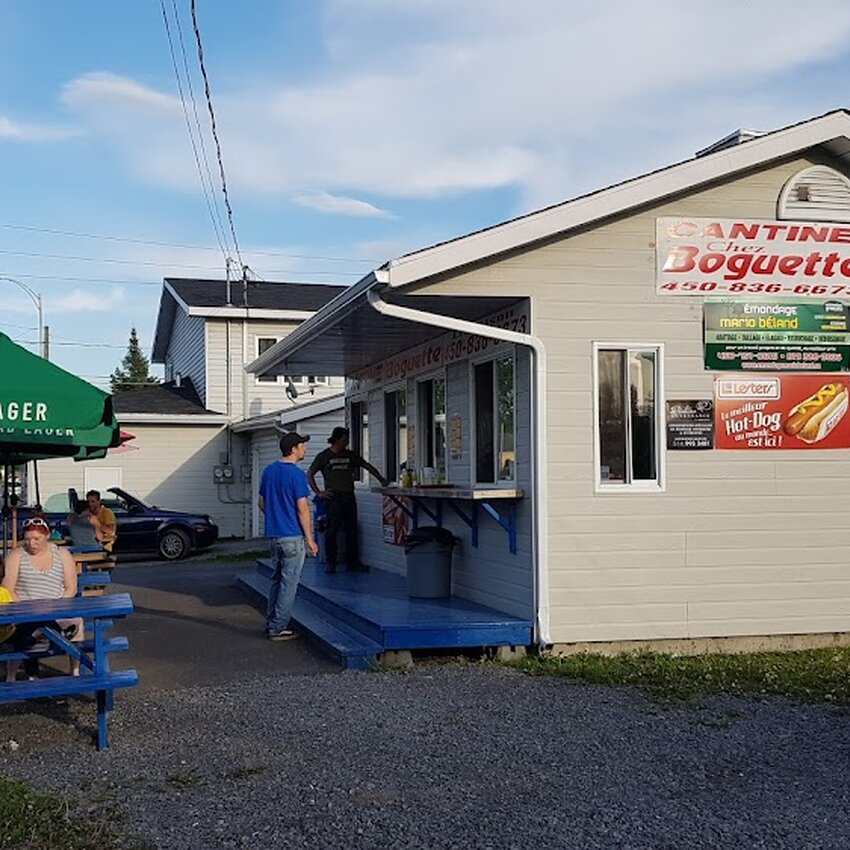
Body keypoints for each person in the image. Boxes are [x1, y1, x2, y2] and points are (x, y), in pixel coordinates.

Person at [1, 515, 81, 681]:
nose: (31, 543)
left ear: (47, 536)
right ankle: (12, 675)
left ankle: (76, 670)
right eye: (28, 539)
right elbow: (8, 588)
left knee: (77, 621)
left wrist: (56, 607)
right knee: (24, 629)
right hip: (24, 610)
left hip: (57, 608)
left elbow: (71, 587)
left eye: (36, 539)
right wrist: (26, 608)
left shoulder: (62, 554)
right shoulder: (17, 555)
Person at [258, 432, 318, 641]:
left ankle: (271, 622)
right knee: (289, 583)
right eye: (302, 445)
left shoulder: (269, 471)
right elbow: (303, 509)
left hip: (274, 535)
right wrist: (310, 539)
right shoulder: (297, 475)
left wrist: (276, 516)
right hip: (292, 536)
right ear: (294, 449)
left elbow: (261, 503)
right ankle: (278, 627)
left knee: (276, 581)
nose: (305, 449)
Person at [308, 426, 388, 573]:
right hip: (334, 497)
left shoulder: (350, 455)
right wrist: (319, 492)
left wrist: (381, 479)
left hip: (348, 495)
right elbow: (310, 473)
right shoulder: (324, 456)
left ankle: (353, 562)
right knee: (332, 529)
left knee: (351, 529)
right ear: (337, 439)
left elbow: (366, 466)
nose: (347, 442)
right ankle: (330, 562)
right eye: (345, 439)